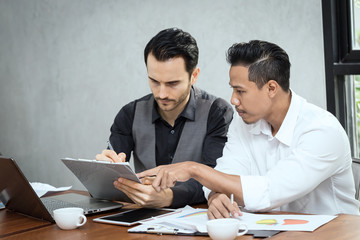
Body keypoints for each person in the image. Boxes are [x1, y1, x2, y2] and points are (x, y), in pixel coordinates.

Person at [138, 40, 360, 217]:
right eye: (232, 90)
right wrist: (216, 196)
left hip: (334, 234)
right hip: (274, 231)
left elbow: (269, 191)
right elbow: (225, 175)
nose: (233, 100)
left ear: (271, 88)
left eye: (240, 91)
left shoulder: (322, 131)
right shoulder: (244, 121)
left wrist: (194, 169)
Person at [95, 28, 233, 208]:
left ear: (194, 76)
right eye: (154, 81)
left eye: (172, 83)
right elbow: (107, 186)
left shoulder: (217, 112)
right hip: (140, 221)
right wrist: (103, 173)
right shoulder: (129, 114)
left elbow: (218, 178)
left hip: (197, 219)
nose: (161, 93)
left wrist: (169, 197)